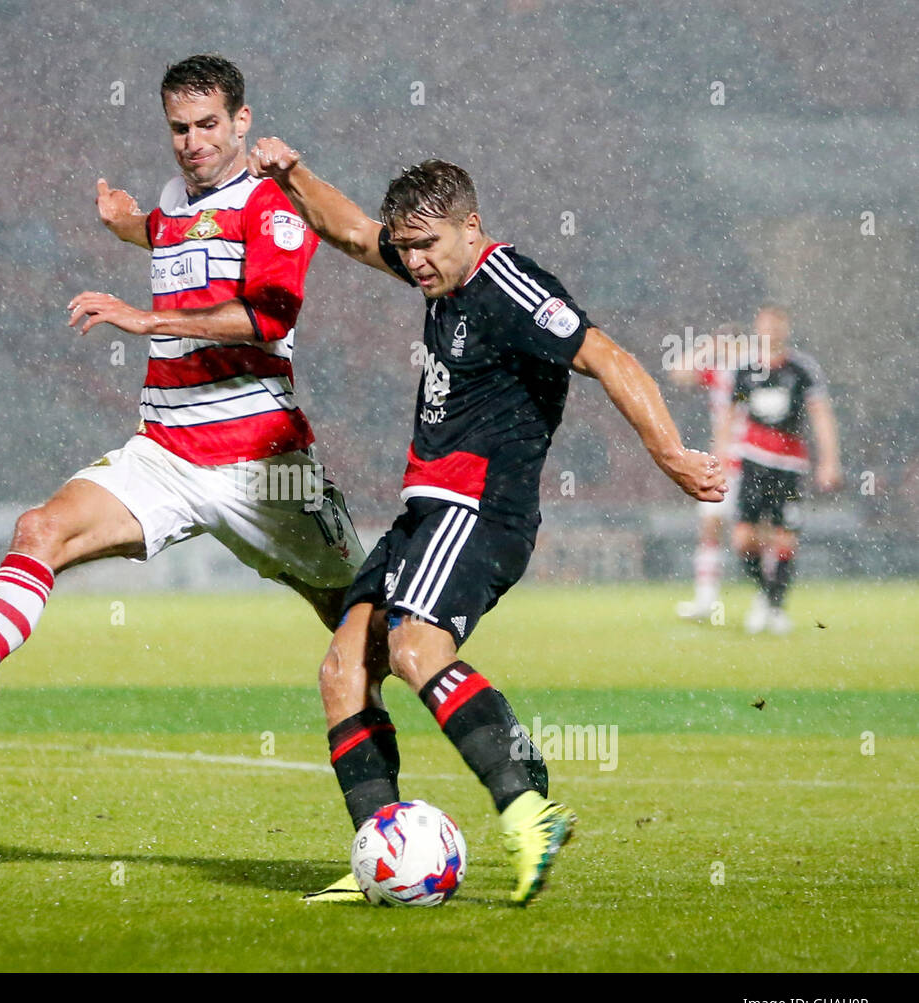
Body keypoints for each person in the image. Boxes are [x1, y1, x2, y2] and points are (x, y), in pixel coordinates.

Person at [249, 139, 725, 905]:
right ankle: (381, 849)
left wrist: (668, 452)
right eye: (406, 248)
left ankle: (528, 806)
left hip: (480, 506)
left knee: (414, 648)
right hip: (428, 507)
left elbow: (607, 354)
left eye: (429, 245)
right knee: (344, 670)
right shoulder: (430, 264)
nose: (416, 263)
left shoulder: (509, 282)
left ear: (473, 226)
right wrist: (294, 175)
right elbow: (345, 231)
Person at [0, 56, 365, 747]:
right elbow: (180, 235)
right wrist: (133, 227)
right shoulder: (176, 201)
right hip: (163, 453)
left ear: (242, 121)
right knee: (40, 530)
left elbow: (270, 317)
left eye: (209, 124)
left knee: (364, 623)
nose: (193, 141)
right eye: (179, 128)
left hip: (260, 465)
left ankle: (496, 762)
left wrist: (150, 321)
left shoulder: (274, 202)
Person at [727, 305, 841, 634]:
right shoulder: (746, 370)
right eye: (765, 324)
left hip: (789, 464)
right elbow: (729, 415)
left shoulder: (801, 369)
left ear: (786, 328)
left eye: (777, 324)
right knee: (743, 539)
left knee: (785, 538)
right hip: (752, 460)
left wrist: (829, 461)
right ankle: (766, 594)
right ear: (756, 328)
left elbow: (821, 415)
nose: (771, 330)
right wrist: (720, 454)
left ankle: (774, 607)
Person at [675, 325, 745, 621]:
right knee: (710, 527)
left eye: (732, 343)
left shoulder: (757, 373)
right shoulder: (721, 375)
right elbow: (679, 374)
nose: (726, 348)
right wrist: (708, 347)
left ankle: (768, 602)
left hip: (756, 461)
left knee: (757, 533)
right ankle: (706, 601)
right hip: (724, 461)